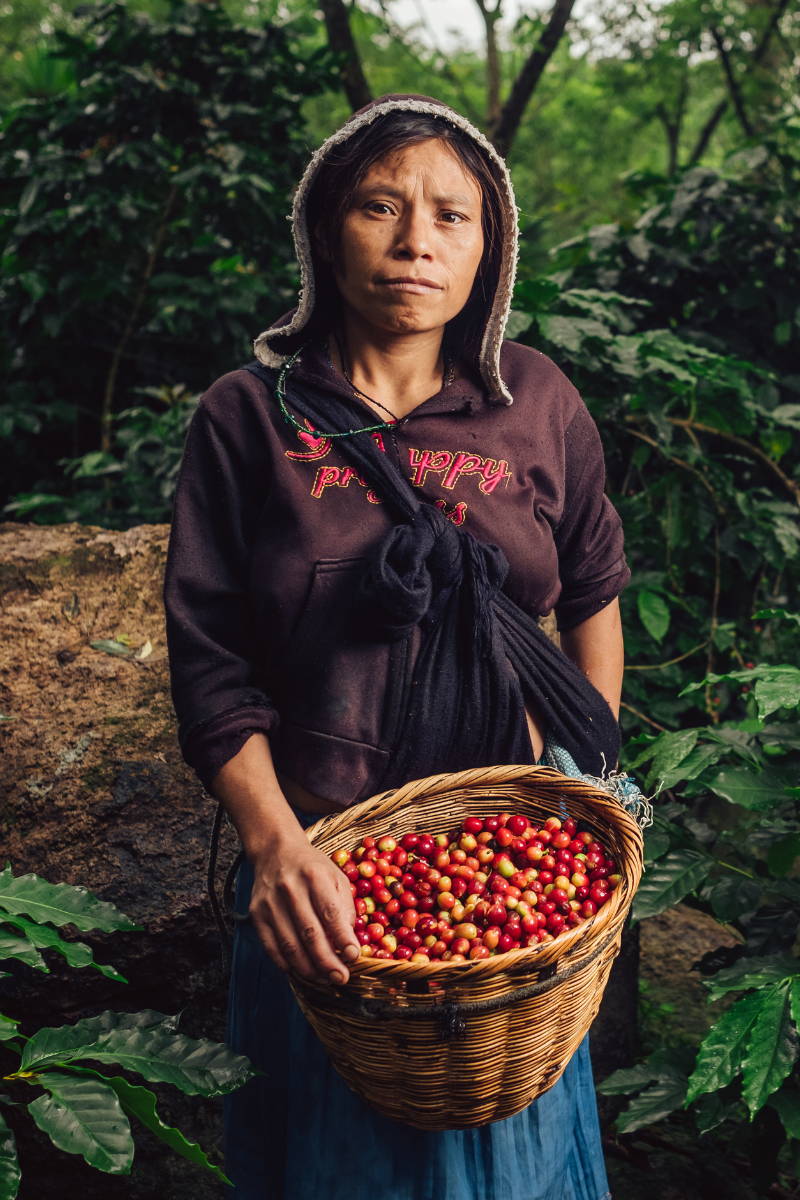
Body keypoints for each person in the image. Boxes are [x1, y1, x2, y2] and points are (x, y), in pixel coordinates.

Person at [164, 94, 629, 1200]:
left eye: (452, 217)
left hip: (507, 865)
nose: (417, 241)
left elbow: (594, 598)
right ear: (327, 230)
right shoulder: (248, 419)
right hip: (320, 862)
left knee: (505, 1149)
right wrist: (277, 850)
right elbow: (210, 663)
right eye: (381, 206)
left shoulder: (537, 405)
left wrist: (576, 790)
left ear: (490, 249)